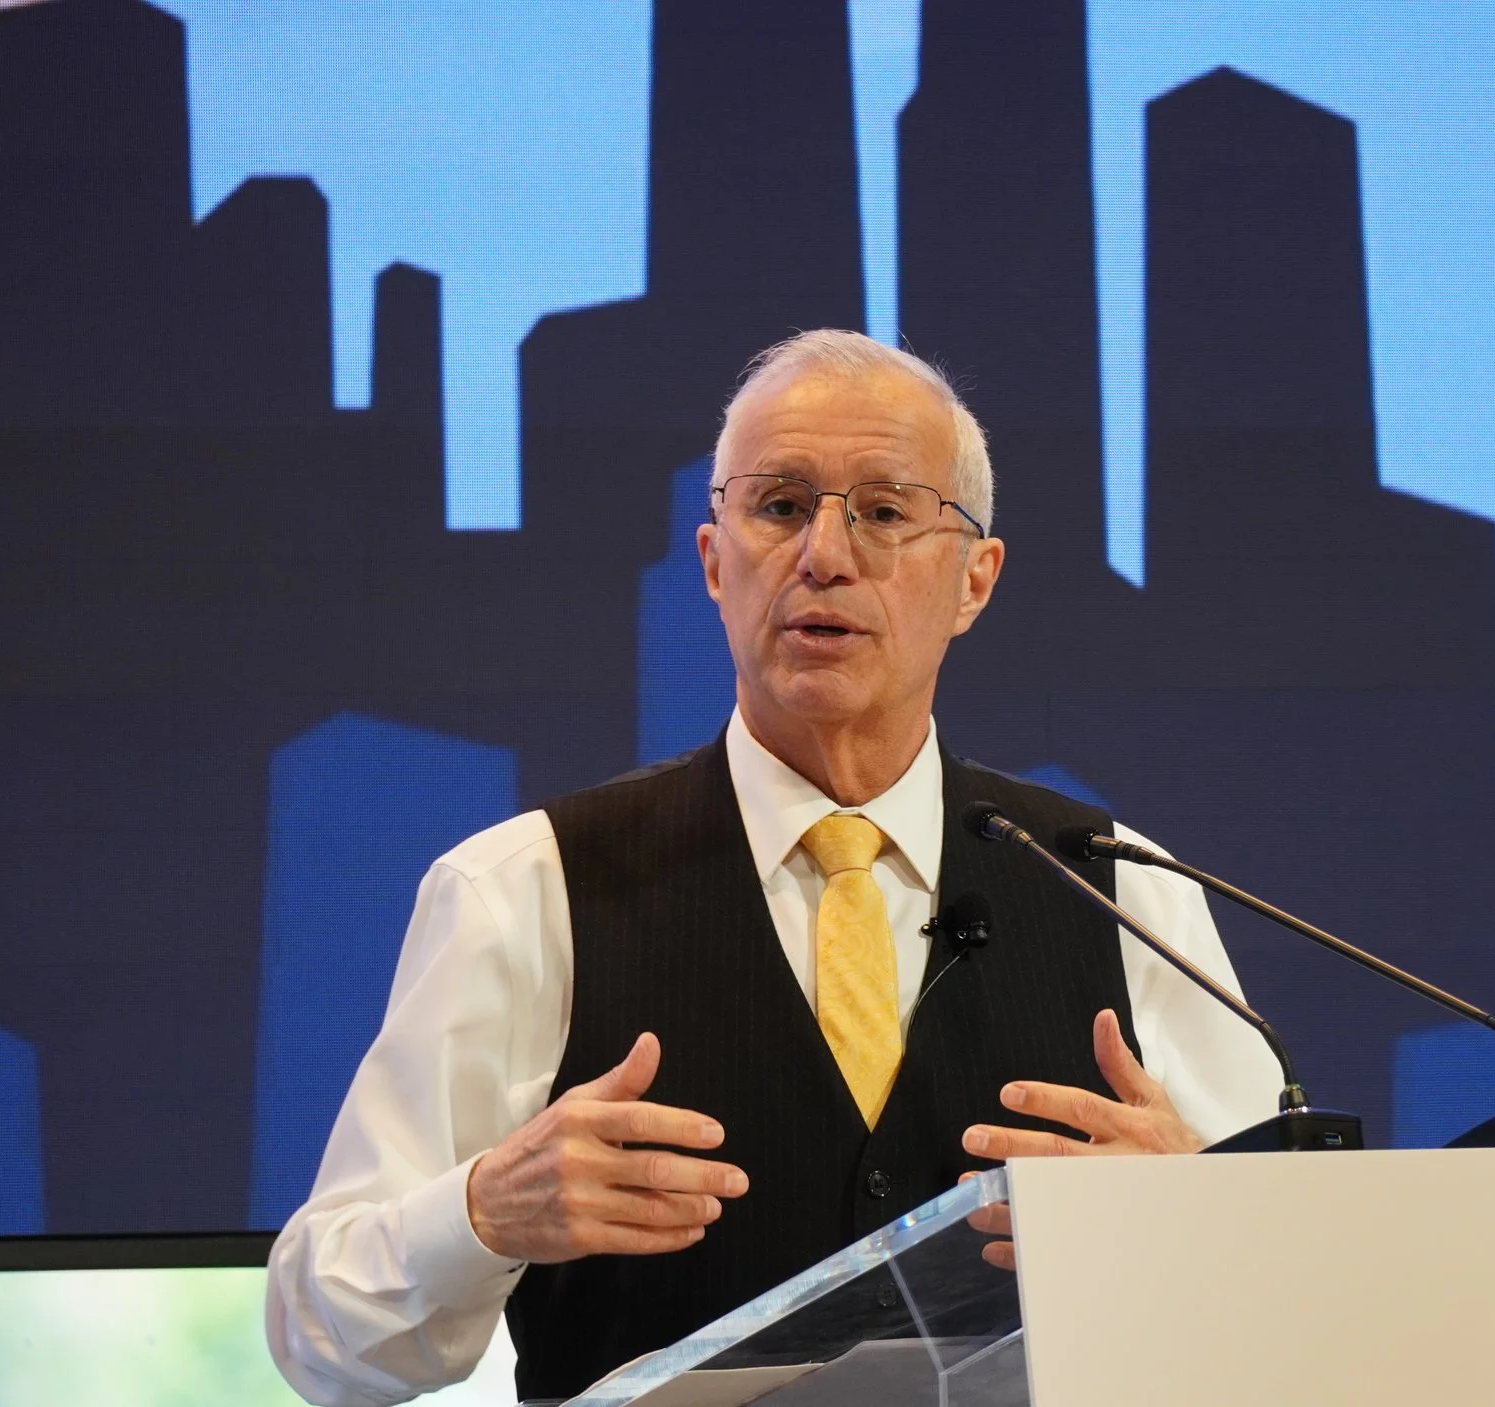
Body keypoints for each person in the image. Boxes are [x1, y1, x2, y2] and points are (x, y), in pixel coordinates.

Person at [264, 330, 1283, 1405]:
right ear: (713, 562)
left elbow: (1298, 1306)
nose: (824, 557)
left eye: (886, 513)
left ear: (974, 581)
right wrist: (479, 1213)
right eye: (780, 507)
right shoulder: (525, 888)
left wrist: (1198, 1221)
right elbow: (319, 1336)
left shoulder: (1118, 887)